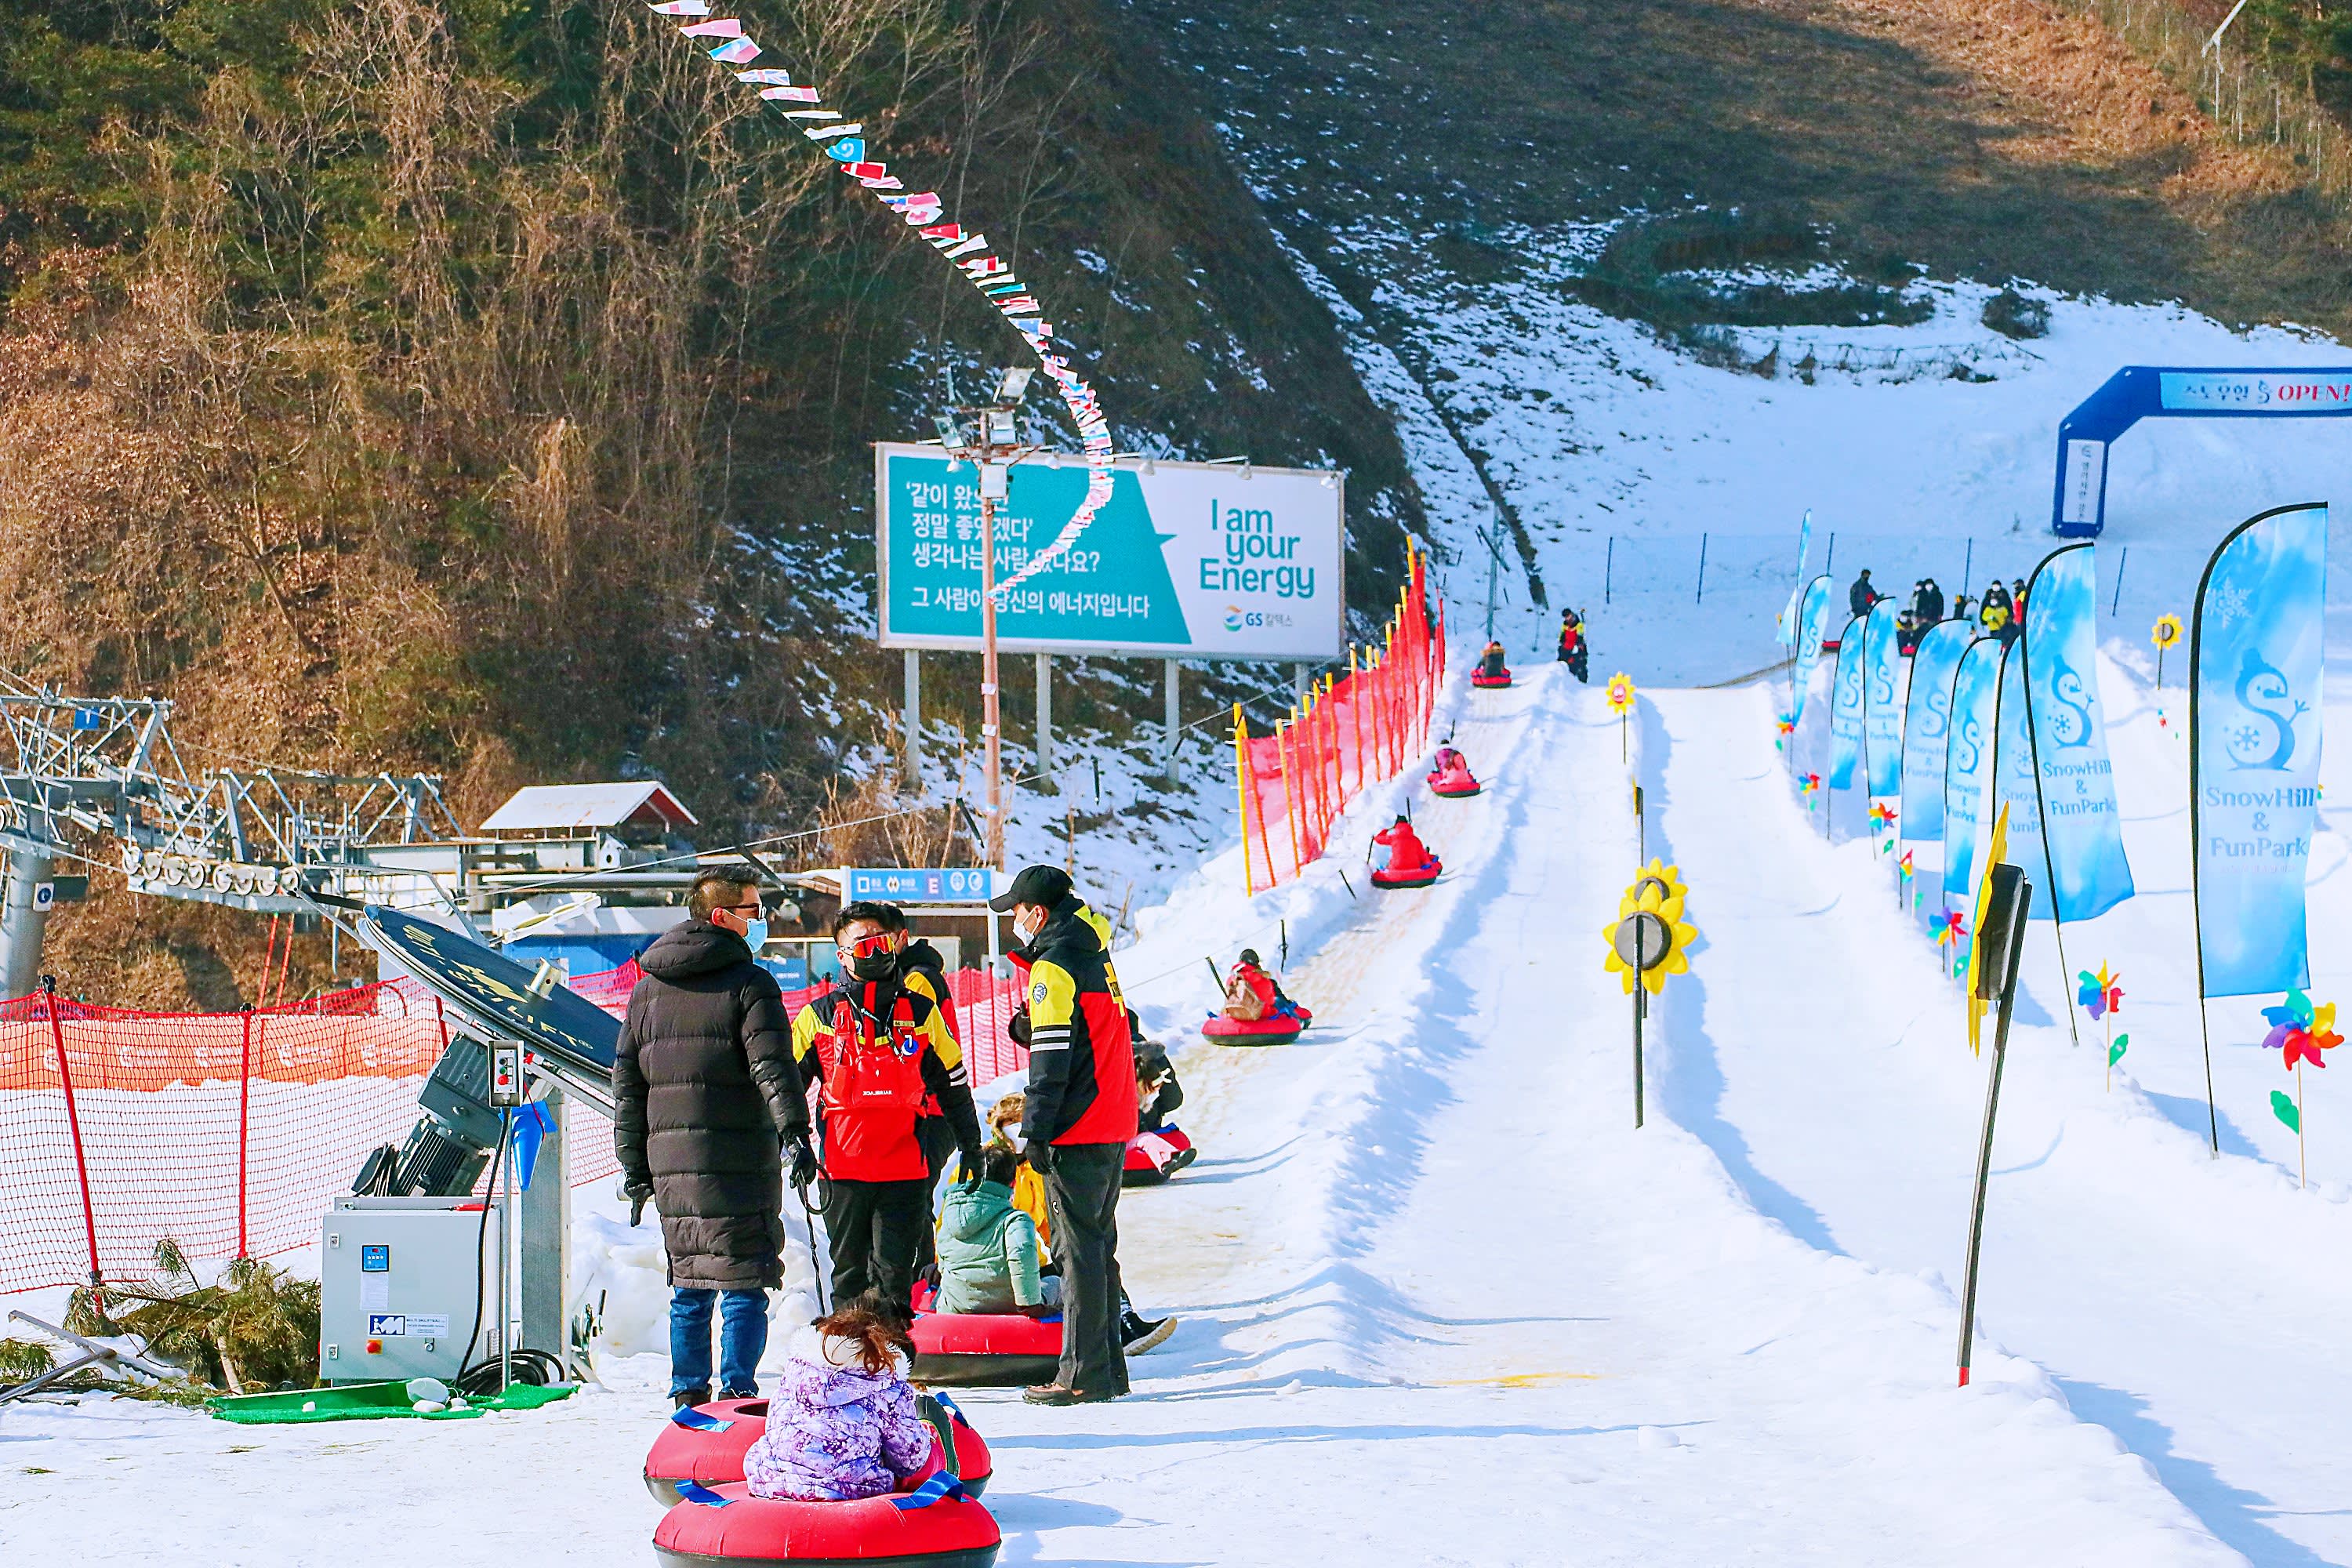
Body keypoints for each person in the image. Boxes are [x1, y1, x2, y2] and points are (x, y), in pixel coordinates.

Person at [614, 866, 815, 1408]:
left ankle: (687, 1398)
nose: (763, 920)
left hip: (671, 1165)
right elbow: (774, 1067)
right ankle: (739, 1393)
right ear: (723, 916)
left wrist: (635, 1167)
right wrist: (795, 1133)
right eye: (754, 910)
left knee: (691, 1285)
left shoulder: (647, 990)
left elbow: (627, 1087)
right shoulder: (750, 985)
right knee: (744, 1282)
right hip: (740, 1160)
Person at [791, 904, 984, 1323]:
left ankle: (893, 1374)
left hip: (904, 1173)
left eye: (881, 939)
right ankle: (847, 1367)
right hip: (843, 1172)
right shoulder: (817, 1017)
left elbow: (953, 1082)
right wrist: (793, 1141)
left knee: (896, 1278)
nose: (875, 950)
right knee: (848, 1276)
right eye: (863, 943)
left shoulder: (921, 1012)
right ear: (842, 955)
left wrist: (971, 1144)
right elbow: (788, 1087)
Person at [993, 865, 1139, 1404]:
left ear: (1038, 912)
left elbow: (1050, 1063)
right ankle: (1106, 1371)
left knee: (1075, 1254)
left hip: (1077, 1126)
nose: (1014, 920)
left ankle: (1078, 1375)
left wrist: (1034, 1132)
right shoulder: (1094, 952)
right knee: (1098, 1249)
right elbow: (1091, 1031)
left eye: (1017, 910)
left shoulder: (1052, 967)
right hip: (1112, 1118)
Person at [742, 1301, 934, 1501]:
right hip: (853, 1490)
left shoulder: (793, 1377)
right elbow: (910, 1460)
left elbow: (774, 1428)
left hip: (778, 1483)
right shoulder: (888, 1389)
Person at [870, 905, 961, 1279]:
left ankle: (923, 1275)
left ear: (901, 937)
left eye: (880, 939)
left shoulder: (917, 980)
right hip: (925, 1107)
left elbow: (909, 1044)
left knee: (915, 1193)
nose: (873, 949)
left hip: (933, 1108)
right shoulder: (911, 973)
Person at [935, 1145, 1055, 1316]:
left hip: (958, 1307)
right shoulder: (1016, 1221)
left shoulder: (950, 1214)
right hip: (1008, 1307)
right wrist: (1030, 1305)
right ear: (1012, 1184)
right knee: (1058, 1284)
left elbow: (943, 1262)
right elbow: (1021, 1259)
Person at [1373, 815, 1437, 878]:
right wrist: (1428, 864)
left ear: (1396, 826)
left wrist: (1386, 830)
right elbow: (1422, 855)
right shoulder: (1416, 839)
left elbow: (1378, 839)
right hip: (1414, 868)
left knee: (1389, 864)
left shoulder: (1393, 838)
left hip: (1396, 868)